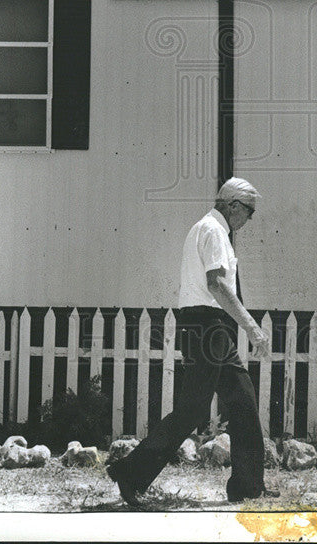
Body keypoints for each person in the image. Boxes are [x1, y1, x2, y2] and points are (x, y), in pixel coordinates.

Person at [107, 178, 278, 507]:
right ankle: (131, 473)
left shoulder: (212, 230)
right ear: (233, 205)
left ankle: (247, 485)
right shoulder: (213, 230)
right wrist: (252, 327)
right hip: (206, 325)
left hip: (209, 326)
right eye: (250, 212)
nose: (249, 220)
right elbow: (217, 285)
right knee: (192, 410)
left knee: (242, 402)